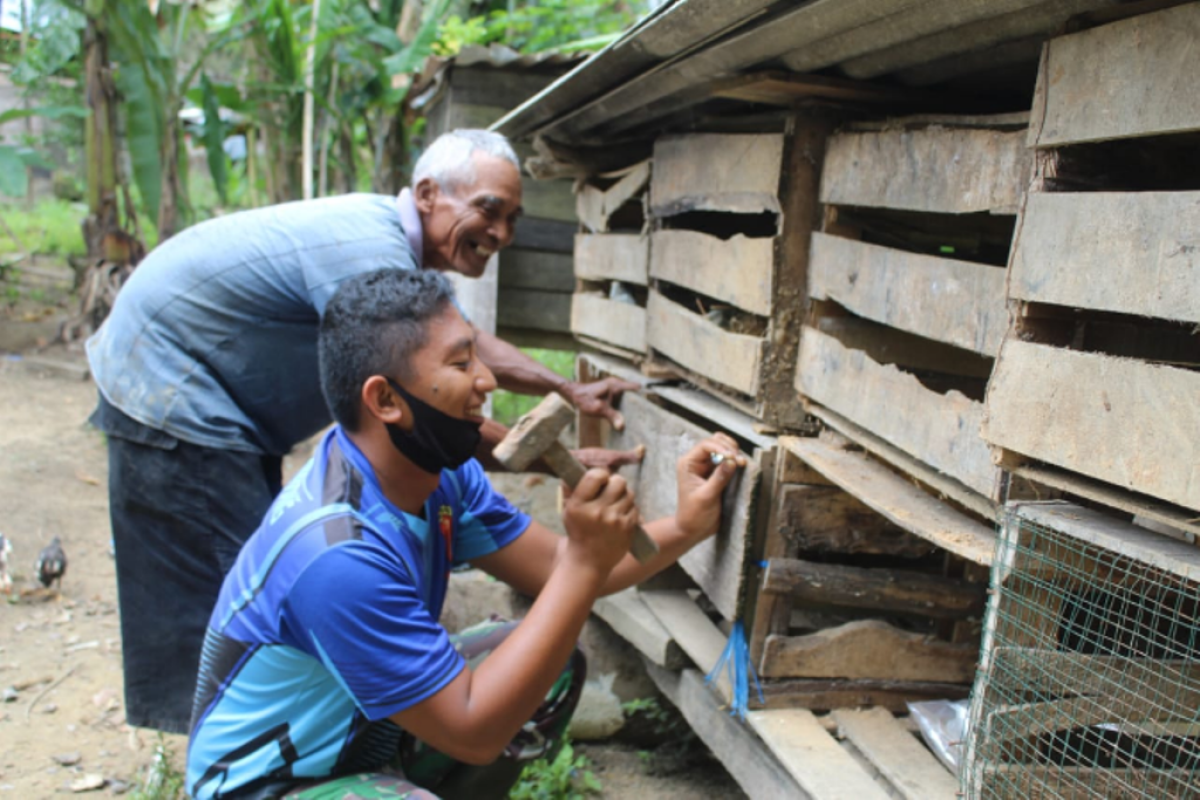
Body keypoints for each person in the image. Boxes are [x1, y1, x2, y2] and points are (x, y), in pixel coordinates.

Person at [85, 129, 641, 735]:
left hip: (220, 401)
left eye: (513, 217)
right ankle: (232, 753)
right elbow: (437, 399)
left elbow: (463, 352)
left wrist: (564, 392)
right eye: (488, 209)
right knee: (229, 586)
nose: (503, 233)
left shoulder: (396, 266)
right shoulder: (365, 251)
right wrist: (533, 453)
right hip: (171, 384)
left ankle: (332, 724)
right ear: (427, 194)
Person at [185, 269, 742, 799]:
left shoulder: (439, 475)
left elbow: (558, 571)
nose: (487, 380)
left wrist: (687, 526)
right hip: (273, 783)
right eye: (460, 363)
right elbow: (475, 729)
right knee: (484, 711)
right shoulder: (335, 556)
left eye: (476, 351)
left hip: (362, 733)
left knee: (544, 668)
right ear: (384, 400)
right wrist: (584, 564)